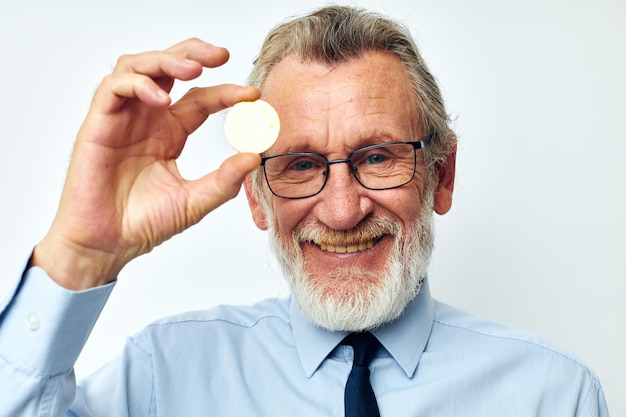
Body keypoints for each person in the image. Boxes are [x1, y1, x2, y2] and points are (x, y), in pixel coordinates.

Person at [0, 5, 608, 416]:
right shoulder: (162, 378)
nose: (342, 211)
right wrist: (80, 256)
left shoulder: (555, 395)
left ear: (441, 176)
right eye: (299, 165)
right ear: (256, 196)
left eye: (377, 157)